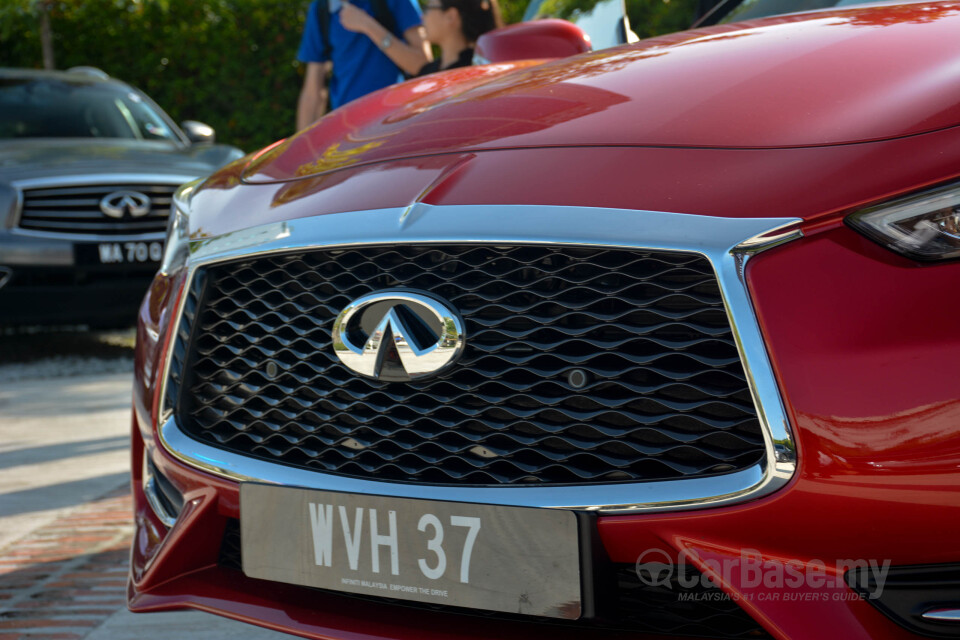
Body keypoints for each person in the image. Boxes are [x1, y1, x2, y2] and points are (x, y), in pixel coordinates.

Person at [296, 0, 432, 130]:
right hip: (346, 134)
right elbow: (313, 92)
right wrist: (302, 148)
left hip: (397, 126)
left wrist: (368, 25)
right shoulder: (320, 9)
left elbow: (422, 64)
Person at [416, 0, 502, 76]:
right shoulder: (427, 71)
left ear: (450, 16)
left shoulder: (475, 72)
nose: (422, 16)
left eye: (427, 9)